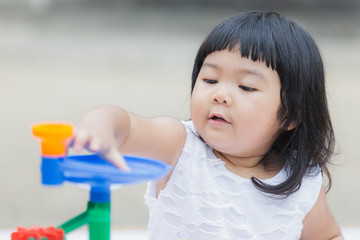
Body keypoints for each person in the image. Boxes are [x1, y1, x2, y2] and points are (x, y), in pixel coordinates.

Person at [73, 11, 343, 239]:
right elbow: (128, 126)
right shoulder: (180, 145)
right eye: (210, 80)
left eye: (246, 86)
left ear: (290, 115)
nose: (220, 94)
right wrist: (100, 125)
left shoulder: (301, 180)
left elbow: (327, 236)